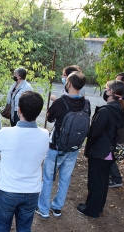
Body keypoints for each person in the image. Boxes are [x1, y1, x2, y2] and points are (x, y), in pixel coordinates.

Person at [0, 91, 49, 232]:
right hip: (31, 192)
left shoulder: (6, 133)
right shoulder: (45, 134)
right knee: (24, 229)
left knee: (2, 229)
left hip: (7, 190)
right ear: (39, 112)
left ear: (18, 110)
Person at [36, 71, 90, 218]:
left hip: (57, 146)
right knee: (65, 178)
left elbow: (49, 116)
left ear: (69, 84)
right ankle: (57, 207)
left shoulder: (60, 102)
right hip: (73, 148)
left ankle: (44, 209)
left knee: (48, 178)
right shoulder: (86, 103)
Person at [77, 80, 124, 218]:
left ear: (111, 92)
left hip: (101, 152)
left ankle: (92, 210)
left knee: (95, 182)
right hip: (110, 152)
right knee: (103, 181)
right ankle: (95, 206)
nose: (105, 91)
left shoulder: (106, 111)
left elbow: (94, 132)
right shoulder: (121, 109)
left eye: (107, 89)